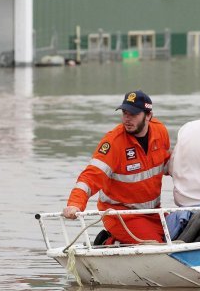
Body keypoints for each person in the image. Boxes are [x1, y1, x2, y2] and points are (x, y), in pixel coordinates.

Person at [63, 90, 171, 245]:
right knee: (154, 245)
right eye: (125, 113)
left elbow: (167, 163)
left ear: (148, 116)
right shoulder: (114, 143)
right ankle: (109, 242)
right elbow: (90, 177)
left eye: (133, 114)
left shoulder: (160, 132)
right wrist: (75, 204)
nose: (127, 119)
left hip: (152, 212)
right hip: (120, 215)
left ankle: (115, 240)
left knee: (183, 234)